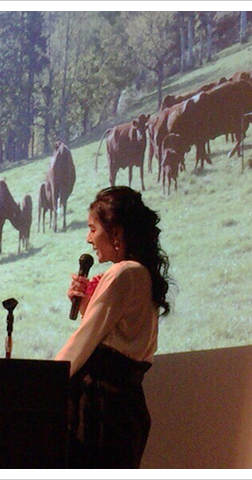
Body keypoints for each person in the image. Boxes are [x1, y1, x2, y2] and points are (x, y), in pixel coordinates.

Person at [55, 186, 172, 469]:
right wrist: (86, 306)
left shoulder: (124, 272)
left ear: (116, 232)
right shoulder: (141, 273)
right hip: (125, 408)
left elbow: (85, 341)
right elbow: (117, 336)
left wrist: (44, 382)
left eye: (93, 229)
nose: (88, 238)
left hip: (102, 409)